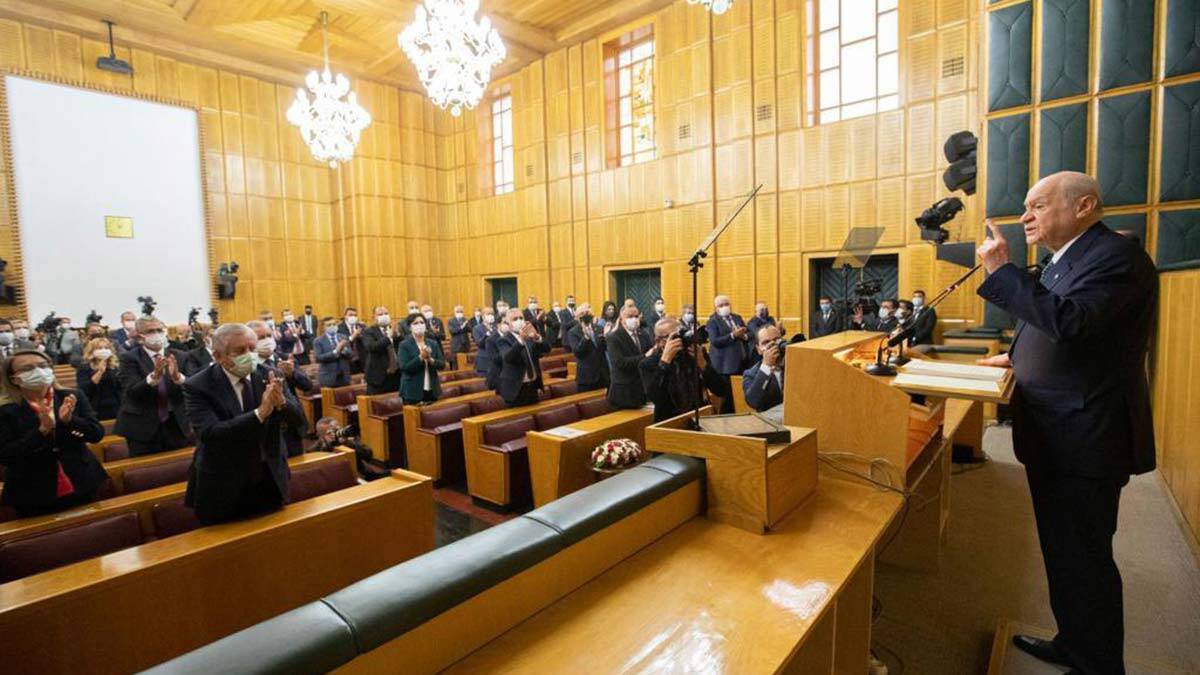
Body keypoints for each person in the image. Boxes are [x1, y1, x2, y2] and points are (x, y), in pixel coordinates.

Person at [974, 171, 1157, 675]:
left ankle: (1098, 665)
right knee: (1062, 552)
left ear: (1084, 206)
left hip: (1086, 435)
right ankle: (1075, 643)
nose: (1025, 217)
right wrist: (1018, 358)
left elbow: (1070, 322)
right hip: (1059, 432)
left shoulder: (1116, 257)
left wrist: (1003, 271)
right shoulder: (1068, 260)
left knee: (1084, 558)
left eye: (1037, 206)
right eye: (1025, 207)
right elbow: (1056, 326)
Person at [183, 323, 306, 525]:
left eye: (252, 348)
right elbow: (210, 434)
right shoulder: (198, 385)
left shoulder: (270, 374)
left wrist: (282, 403)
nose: (249, 355)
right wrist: (260, 413)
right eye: (240, 351)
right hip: (224, 481)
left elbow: (299, 421)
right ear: (218, 356)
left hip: (269, 475)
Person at [0, 349, 108, 517]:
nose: (38, 371)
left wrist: (70, 421)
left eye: (43, 365)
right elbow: (5, 455)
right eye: (28, 368)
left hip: (81, 479)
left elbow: (96, 434)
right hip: (32, 490)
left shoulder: (72, 396)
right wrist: (41, 431)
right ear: (14, 378)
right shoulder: (6, 410)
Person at [114, 317, 192, 456]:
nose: (156, 334)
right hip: (142, 426)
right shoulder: (129, 358)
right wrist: (153, 378)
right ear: (140, 337)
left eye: (159, 330)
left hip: (177, 424)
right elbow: (131, 392)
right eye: (150, 331)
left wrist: (178, 378)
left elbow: (194, 386)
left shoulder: (181, 356)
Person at [640, 317, 728, 423]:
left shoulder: (695, 354)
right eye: (675, 336)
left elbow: (721, 389)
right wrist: (664, 362)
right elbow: (656, 398)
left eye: (682, 334)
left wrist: (703, 365)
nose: (681, 340)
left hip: (699, 418)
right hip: (669, 422)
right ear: (659, 341)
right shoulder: (648, 364)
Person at [249, 320, 309, 458]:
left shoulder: (285, 357)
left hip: (291, 424)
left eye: (269, 336)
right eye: (261, 338)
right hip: (266, 431)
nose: (267, 340)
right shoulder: (247, 366)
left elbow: (307, 386)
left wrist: (292, 374)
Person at [495, 309, 549, 407]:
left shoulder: (530, 337)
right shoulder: (503, 340)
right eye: (515, 319)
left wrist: (537, 337)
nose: (519, 321)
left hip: (532, 387)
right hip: (515, 389)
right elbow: (508, 357)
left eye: (521, 318)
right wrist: (521, 340)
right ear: (508, 323)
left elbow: (547, 349)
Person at [706, 295, 750, 413]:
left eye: (726, 304)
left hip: (742, 361)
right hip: (726, 365)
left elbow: (749, 333)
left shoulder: (737, 317)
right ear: (716, 308)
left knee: (740, 393)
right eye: (721, 305)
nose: (725, 307)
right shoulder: (712, 321)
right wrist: (733, 335)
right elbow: (715, 341)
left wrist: (744, 336)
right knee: (728, 397)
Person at [312, 417, 389, 480]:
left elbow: (368, 455)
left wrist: (348, 443)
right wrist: (327, 446)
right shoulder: (314, 450)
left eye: (338, 429)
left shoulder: (347, 440)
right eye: (332, 431)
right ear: (321, 436)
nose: (337, 432)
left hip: (362, 476)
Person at [606, 305, 651, 409]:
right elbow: (620, 363)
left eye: (636, 316)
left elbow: (650, 354)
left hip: (641, 389)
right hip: (624, 392)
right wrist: (645, 356)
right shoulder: (614, 337)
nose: (634, 319)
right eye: (630, 317)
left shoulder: (643, 334)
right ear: (622, 319)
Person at [398, 314, 445, 405]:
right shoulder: (404, 345)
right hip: (412, 391)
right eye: (415, 323)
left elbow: (442, 365)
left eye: (422, 322)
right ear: (410, 327)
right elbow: (405, 367)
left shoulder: (433, 343)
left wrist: (430, 359)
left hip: (432, 390)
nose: (419, 325)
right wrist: (420, 357)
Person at [741, 324, 786, 415]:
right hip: (771, 421)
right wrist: (766, 366)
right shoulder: (751, 374)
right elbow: (753, 402)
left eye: (776, 340)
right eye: (766, 342)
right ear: (759, 349)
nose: (773, 345)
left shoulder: (794, 364)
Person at [76, 337, 122, 420]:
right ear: (92, 351)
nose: (103, 350)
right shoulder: (84, 367)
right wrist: (100, 372)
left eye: (106, 348)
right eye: (100, 348)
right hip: (95, 405)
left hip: (116, 403)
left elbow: (121, 386)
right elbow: (84, 389)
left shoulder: (114, 365)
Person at [566, 303, 609, 393]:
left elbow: (605, 348)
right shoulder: (573, 332)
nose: (586, 315)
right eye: (583, 313)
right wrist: (585, 337)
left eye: (587, 313)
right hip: (587, 377)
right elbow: (577, 352)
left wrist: (607, 337)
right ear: (577, 317)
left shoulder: (599, 328)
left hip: (603, 374)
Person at [360, 306, 401, 395]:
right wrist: (388, 337)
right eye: (380, 314)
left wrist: (398, 336)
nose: (384, 316)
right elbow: (371, 347)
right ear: (374, 318)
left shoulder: (395, 329)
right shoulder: (368, 331)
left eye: (386, 314)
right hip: (378, 377)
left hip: (397, 375)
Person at [312, 316, 353, 387]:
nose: (332, 326)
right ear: (324, 327)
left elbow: (350, 354)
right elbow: (318, 358)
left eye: (334, 324)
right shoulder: (318, 341)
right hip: (328, 377)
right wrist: (335, 351)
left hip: (344, 376)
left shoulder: (343, 337)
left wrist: (344, 350)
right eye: (329, 325)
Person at [472, 308, 499, 380]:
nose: (491, 316)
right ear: (483, 317)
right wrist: (487, 335)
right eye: (488, 314)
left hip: (496, 360)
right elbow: (479, 344)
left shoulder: (496, 327)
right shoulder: (477, 328)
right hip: (484, 362)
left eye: (492, 314)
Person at [337, 307, 364, 374]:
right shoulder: (339, 328)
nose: (353, 317)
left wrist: (361, 337)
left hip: (361, 359)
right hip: (348, 360)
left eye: (355, 315)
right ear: (345, 316)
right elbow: (341, 344)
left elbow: (367, 342)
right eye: (350, 315)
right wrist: (353, 336)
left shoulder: (361, 326)